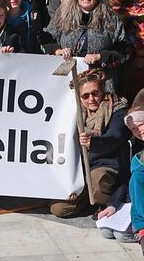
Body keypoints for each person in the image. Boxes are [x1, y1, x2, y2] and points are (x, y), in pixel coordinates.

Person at [54, 70, 128, 220]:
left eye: (95, 93)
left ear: (102, 91)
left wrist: (93, 142)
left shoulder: (117, 108)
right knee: (59, 209)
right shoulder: (73, 111)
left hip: (105, 163)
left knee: (98, 181)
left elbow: (115, 136)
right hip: (80, 168)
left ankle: (105, 201)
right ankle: (88, 202)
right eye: (85, 96)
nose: (91, 99)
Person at [49, 0, 127, 78]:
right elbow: (46, 40)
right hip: (65, 77)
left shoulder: (111, 18)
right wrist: (57, 50)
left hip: (100, 80)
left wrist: (100, 56)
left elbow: (124, 50)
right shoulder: (62, 15)